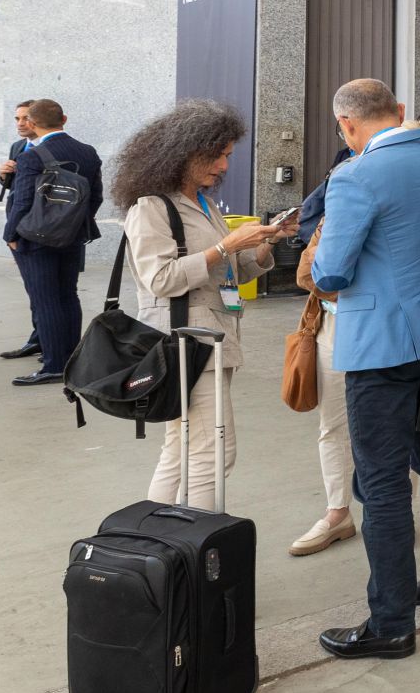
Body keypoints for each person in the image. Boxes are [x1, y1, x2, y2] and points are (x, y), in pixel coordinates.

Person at [309, 77, 420, 660]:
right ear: (401, 110)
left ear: (346, 125)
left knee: (382, 481)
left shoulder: (354, 176)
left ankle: (390, 623)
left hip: (383, 344)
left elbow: (330, 272)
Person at [113, 101, 290, 505]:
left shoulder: (203, 204)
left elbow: (231, 273)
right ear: (183, 153)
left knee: (181, 448)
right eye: (216, 156)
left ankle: (160, 532)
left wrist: (266, 242)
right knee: (212, 453)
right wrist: (225, 246)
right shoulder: (151, 207)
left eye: (227, 156)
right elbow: (160, 279)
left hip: (212, 339)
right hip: (184, 344)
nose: (224, 166)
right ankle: (196, 535)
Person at [3, 99, 105, 384]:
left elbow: (22, 202)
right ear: (64, 119)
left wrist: (10, 235)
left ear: (32, 123)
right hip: (72, 235)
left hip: (35, 238)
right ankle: (72, 360)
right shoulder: (87, 151)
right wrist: (75, 223)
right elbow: (96, 196)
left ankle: (54, 366)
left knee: (45, 299)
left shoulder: (31, 156)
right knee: (68, 295)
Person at [289, 146, 358, 557]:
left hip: (382, 334)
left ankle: (396, 511)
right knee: (332, 425)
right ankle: (337, 512)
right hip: (330, 329)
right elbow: (307, 274)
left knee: (393, 428)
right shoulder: (331, 220)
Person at [0, 103, 42, 362]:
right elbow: (15, 188)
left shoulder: (50, 148)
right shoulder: (18, 147)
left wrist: (10, 234)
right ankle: (38, 338)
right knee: (33, 287)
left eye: (26, 118)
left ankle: (49, 341)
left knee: (45, 289)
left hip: (41, 226)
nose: (20, 123)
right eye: (17, 118)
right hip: (19, 223)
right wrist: (4, 175)